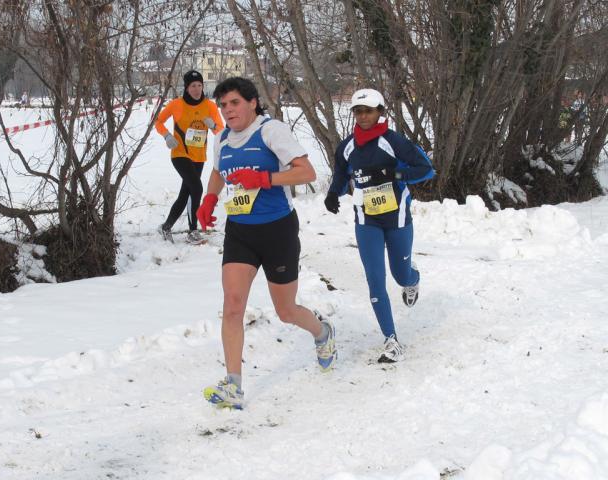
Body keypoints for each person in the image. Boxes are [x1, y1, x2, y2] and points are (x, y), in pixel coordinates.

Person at [196, 77, 336, 409]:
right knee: (232, 306)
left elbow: (307, 172)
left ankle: (322, 332)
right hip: (240, 231)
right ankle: (233, 386)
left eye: (234, 103)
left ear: (252, 103)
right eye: (223, 105)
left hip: (277, 230)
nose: (228, 110)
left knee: (286, 311)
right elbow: (218, 172)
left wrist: (265, 179)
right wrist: (209, 200)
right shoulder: (223, 139)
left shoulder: (271, 132)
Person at [324, 88, 434, 364]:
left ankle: (413, 278)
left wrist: (395, 173)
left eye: (368, 111)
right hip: (366, 219)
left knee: (400, 275)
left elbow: (426, 169)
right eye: (358, 111)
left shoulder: (394, 141)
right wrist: (332, 193)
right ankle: (391, 339)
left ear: (380, 112)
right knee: (375, 279)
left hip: (397, 219)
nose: (363, 116)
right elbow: (340, 172)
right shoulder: (347, 146)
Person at [154, 70, 224, 244]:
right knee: (197, 188)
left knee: (185, 194)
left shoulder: (210, 106)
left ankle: (166, 226)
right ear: (186, 87)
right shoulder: (176, 104)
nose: (197, 89)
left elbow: (221, 131)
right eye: (193, 86)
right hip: (180, 153)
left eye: (200, 85)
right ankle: (193, 231)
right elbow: (158, 120)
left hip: (199, 156)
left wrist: (213, 125)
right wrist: (166, 135)